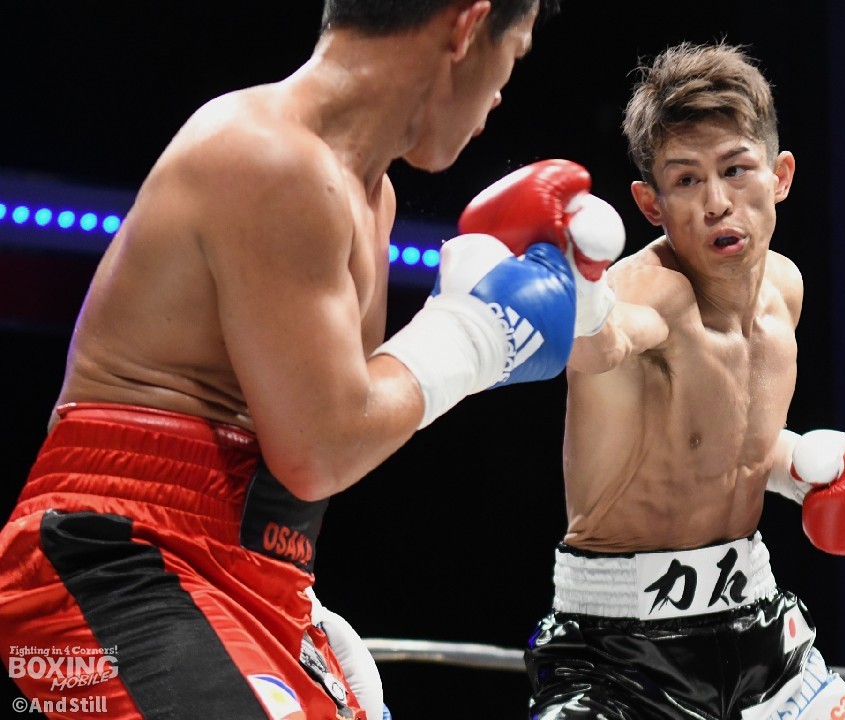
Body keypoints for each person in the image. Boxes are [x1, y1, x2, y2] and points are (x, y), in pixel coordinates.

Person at [0, 2, 629, 718]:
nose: (500, 94)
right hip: (117, 559)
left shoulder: (371, 195)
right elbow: (321, 447)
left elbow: (339, 424)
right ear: (465, 28)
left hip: (253, 569)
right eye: (512, 54)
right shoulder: (268, 154)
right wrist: (478, 332)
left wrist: (562, 307)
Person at [524, 42, 845, 719]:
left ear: (780, 175)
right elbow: (603, 341)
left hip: (762, 639)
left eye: (735, 169)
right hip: (618, 659)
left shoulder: (785, 290)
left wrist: (799, 464)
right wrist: (575, 290)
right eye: (687, 181)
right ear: (651, 203)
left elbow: (727, 438)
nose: (718, 202)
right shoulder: (649, 292)